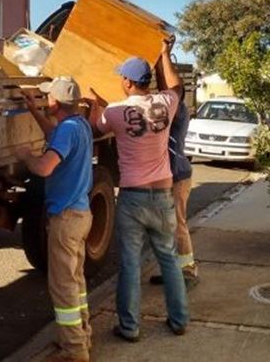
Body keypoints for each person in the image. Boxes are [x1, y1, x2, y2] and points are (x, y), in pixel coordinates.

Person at [86, 38, 189, 343]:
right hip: (162, 196)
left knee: (130, 264)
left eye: (122, 77)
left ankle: (130, 328)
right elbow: (176, 87)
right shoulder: (165, 105)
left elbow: (96, 127)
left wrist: (94, 106)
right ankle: (180, 320)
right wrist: (164, 54)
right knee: (169, 259)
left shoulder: (116, 112)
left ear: (129, 82)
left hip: (132, 197)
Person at [16, 76, 93, 362]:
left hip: (66, 218)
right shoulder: (79, 125)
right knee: (75, 281)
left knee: (62, 287)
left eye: (47, 98)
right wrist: (35, 111)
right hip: (81, 214)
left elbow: (45, 168)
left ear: (56, 103)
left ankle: (74, 351)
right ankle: (83, 336)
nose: (46, 100)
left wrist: (27, 156)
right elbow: (56, 135)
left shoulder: (67, 130)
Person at [149, 92, 199, 286]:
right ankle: (171, 270)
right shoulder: (172, 110)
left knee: (178, 224)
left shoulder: (178, 111)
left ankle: (188, 270)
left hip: (178, 176)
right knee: (165, 228)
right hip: (172, 175)